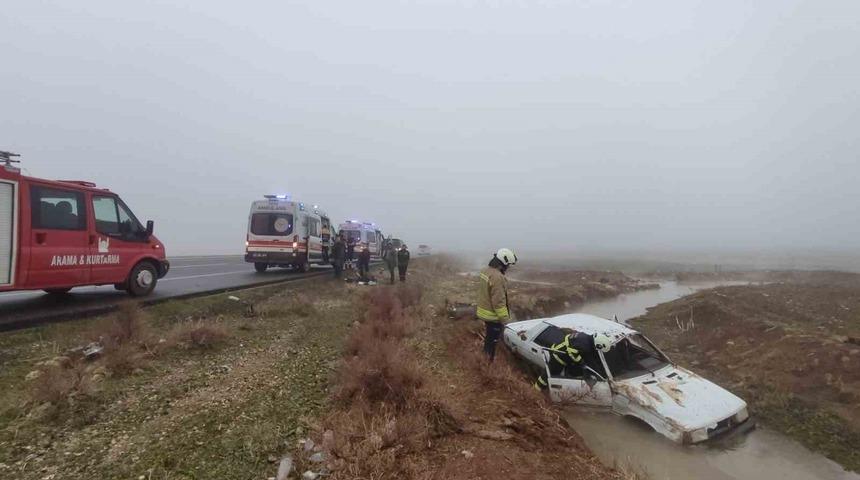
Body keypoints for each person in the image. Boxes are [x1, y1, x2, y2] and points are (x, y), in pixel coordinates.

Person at [534, 330, 612, 390]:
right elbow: (572, 352)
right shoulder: (585, 345)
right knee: (552, 373)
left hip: (558, 348)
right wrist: (581, 362)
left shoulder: (586, 337)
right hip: (558, 356)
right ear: (598, 344)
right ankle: (536, 389)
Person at [477, 248, 517, 361]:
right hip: (492, 316)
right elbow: (499, 302)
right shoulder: (498, 277)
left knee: (489, 338)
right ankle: (487, 365)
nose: (508, 267)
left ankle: (484, 359)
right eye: (508, 265)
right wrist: (505, 320)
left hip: (483, 311)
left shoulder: (485, 270)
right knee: (492, 342)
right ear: (502, 264)